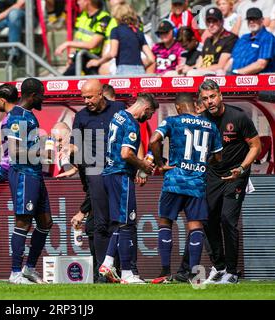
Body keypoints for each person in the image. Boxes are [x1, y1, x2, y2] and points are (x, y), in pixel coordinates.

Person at [149, 93, 223, 284]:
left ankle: (165, 271)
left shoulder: (172, 121)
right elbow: (218, 157)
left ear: (179, 107)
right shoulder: (211, 126)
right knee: (196, 226)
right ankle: (193, 273)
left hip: (174, 180)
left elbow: (154, 140)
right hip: (197, 182)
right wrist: (202, 163)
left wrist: (159, 163)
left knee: (166, 223)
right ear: (195, 105)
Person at [199, 79, 261, 284]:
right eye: (205, 98)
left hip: (236, 174)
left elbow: (255, 146)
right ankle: (219, 267)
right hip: (213, 175)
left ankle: (232, 273)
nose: (210, 101)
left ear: (220, 95)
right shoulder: (201, 121)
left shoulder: (238, 117)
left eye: (212, 96)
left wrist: (242, 168)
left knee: (227, 219)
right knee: (207, 219)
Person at [68, 79, 127, 281]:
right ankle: (104, 274)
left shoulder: (119, 108)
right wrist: (71, 153)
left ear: (101, 94)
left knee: (120, 222)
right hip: (96, 173)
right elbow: (75, 145)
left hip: (118, 171)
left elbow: (131, 134)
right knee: (101, 224)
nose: (86, 101)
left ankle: (121, 269)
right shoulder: (81, 117)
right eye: (83, 97)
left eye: (90, 96)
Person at [98, 93, 158, 284]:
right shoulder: (131, 123)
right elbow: (126, 153)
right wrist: (143, 165)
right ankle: (127, 273)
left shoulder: (118, 115)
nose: (147, 119)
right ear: (146, 109)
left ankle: (107, 262)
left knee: (119, 221)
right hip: (120, 175)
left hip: (108, 173)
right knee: (127, 224)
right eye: (149, 115)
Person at [6, 78, 52, 284]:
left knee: (45, 222)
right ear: (33, 95)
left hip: (35, 174)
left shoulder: (30, 116)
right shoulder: (16, 116)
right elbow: (14, 152)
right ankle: (15, 272)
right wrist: (41, 150)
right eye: (41, 94)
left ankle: (28, 268)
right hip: (23, 174)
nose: (43, 98)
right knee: (23, 222)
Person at [86, 3, 154, 76]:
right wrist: (141, 66)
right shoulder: (138, 32)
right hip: (140, 70)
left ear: (116, 16)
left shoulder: (116, 31)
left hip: (124, 71)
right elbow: (151, 58)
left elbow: (113, 53)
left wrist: (98, 62)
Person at [54, 0, 111, 76]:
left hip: (92, 58)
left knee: (65, 79)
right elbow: (76, 38)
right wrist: (70, 57)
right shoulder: (82, 15)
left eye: (79, 0)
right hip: (79, 57)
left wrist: (67, 44)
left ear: (87, 1)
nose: (78, 3)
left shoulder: (104, 18)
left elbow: (92, 45)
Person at [184, 7, 238, 76]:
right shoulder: (208, 40)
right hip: (202, 72)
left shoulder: (230, 38)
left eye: (214, 21)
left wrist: (196, 70)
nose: (211, 24)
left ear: (222, 21)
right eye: (208, 22)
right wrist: (189, 68)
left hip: (217, 74)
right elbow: (199, 64)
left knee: (192, 73)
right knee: (172, 74)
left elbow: (221, 66)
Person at [227, 7, 275, 75]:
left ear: (262, 20)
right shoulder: (243, 38)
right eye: (249, 19)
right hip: (234, 78)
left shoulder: (267, 38)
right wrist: (223, 73)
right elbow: (231, 60)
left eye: (254, 19)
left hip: (258, 81)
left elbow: (261, 64)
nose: (251, 22)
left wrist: (237, 72)